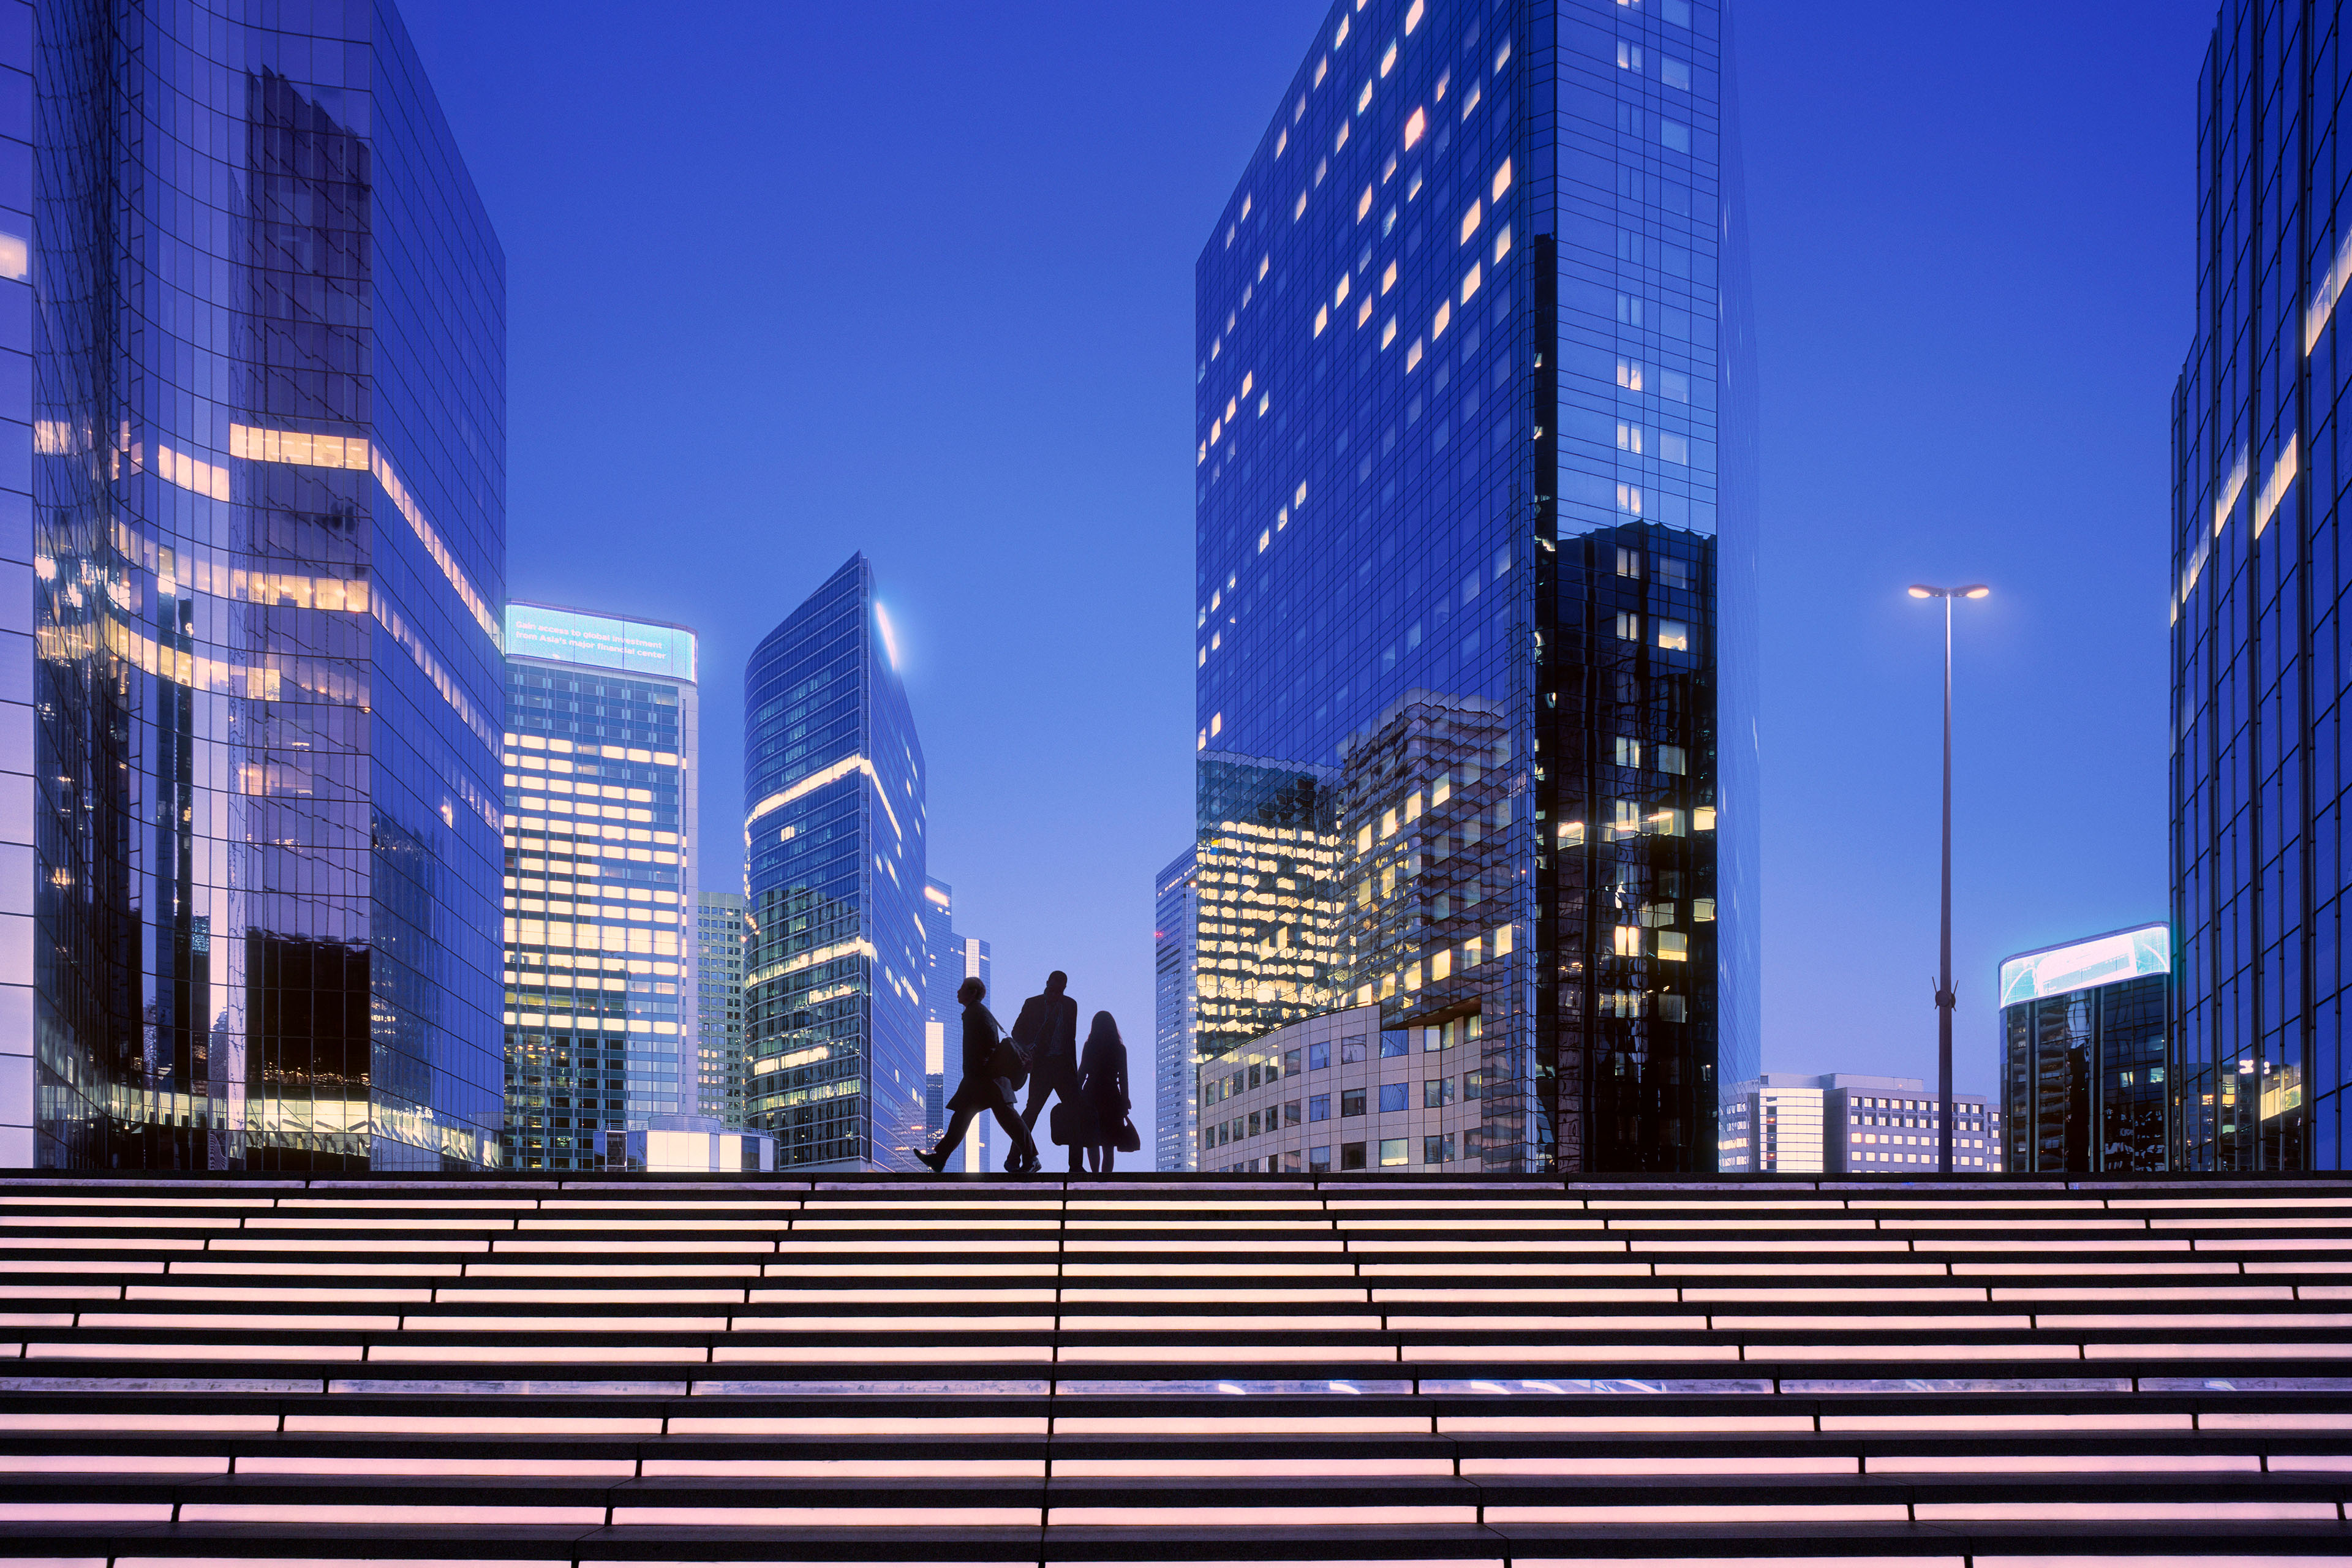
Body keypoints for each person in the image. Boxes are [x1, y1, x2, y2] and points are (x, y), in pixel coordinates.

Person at [919, 976, 1040, 1174]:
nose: (958, 992)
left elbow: (988, 1047)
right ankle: (940, 1158)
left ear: (973, 992)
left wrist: (977, 1073)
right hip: (984, 1079)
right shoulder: (975, 1012)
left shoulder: (976, 1012)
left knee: (1006, 1119)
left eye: (962, 988)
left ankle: (1031, 1158)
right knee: (966, 1118)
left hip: (986, 1080)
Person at [1013, 970, 1081, 1172]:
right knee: (1032, 1112)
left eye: (1058, 991)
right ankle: (1015, 1158)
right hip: (1042, 1066)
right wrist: (1028, 1052)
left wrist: (1073, 1072)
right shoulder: (1033, 1004)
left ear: (1064, 989)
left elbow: (1071, 1041)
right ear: (1047, 984)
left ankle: (1076, 1166)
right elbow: (1017, 1033)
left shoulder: (1070, 1005)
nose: (1054, 995)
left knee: (1072, 1114)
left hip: (1062, 1067)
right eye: (1052, 990)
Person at [1074, 1010, 1131, 1175]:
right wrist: (1125, 1100)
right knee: (1109, 1143)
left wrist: (1075, 1095)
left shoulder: (1090, 1046)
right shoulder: (1119, 1049)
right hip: (1112, 1097)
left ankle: (1094, 1176)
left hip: (1091, 1095)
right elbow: (1124, 1078)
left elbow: (1082, 1072)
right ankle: (1106, 1180)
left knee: (1092, 1140)